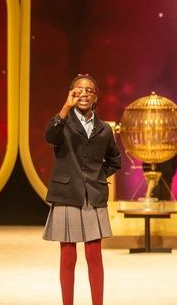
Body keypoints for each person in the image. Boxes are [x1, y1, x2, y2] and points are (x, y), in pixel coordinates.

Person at [43, 74, 122, 305]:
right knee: (68, 256)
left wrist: (95, 178)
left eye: (89, 90)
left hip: (93, 197)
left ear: (96, 97)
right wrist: (65, 108)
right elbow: (49, 137)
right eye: (78, 90)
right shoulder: (62, 122)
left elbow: (114, 161)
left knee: (94, 255)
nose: (84, 93)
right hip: (67, 195)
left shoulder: (105, 129)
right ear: (71, 94)